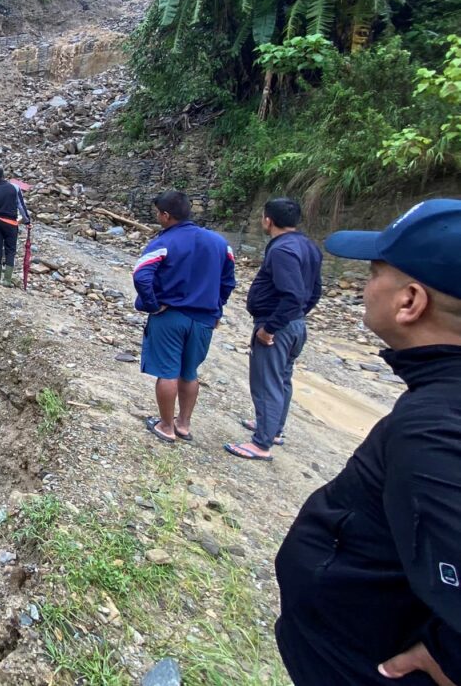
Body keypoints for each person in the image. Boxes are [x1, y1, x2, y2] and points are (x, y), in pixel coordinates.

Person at [275, 199, 461, 686]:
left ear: (410, 302)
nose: (364, 286)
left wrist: (452, 655)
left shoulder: (433, 426)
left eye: (375, 273)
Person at [133, 190, 237, 443]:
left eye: (158, 213)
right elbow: (228, 281)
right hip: (204, 319)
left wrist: (152, 304)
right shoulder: (220, 243)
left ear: (166, 215)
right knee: (189, 372)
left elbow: (141, 275)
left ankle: (166, 426)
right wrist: (217, 308)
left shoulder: (165, 241)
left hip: (170, 315)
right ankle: (184, 424)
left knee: (167, 372)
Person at [225, 197, 323, 461]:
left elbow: (293, 294)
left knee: (266, 382)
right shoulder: (309, 247)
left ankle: (261, 444)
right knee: (282, 378)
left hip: (278, 326)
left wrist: (271, 327)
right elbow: (315, 291)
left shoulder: (282, 250)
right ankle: (273, 428)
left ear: (268, 220)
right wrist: (297, 317)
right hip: (295, 324)